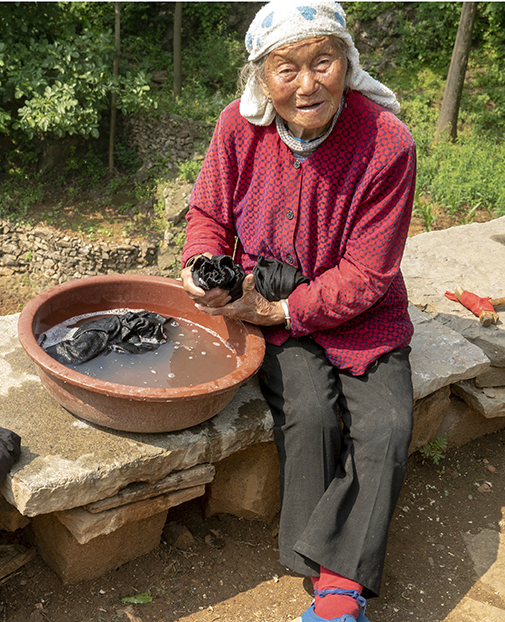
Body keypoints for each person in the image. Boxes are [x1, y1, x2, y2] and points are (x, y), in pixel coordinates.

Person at [179, 2, 416, 621]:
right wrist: (205, 266)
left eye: (323, 62)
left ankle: (338, 589)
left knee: (387, 427)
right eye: (286, 68)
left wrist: (279, 309)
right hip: (266, 304)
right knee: (309, 413)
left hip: (361, 313)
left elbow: (368, 274)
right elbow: (208, 215)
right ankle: (326, 579)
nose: (307, 84)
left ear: (348, 61)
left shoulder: (387, 143)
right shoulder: (238, 126)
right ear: (261, 76)